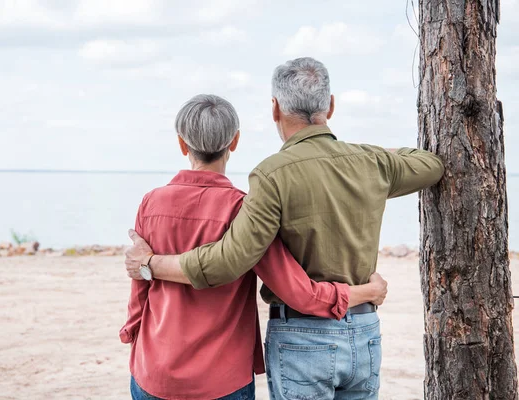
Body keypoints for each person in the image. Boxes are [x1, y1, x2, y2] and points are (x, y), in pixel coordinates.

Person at [125, 58, 444, 399]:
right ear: (330, 105)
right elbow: (431, 165)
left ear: (275, 108)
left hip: (292, 338)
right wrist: (369, 157)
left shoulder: (268, 176)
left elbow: (226, 263)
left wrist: (149, 265)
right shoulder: (371, 163)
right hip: (363, 330)